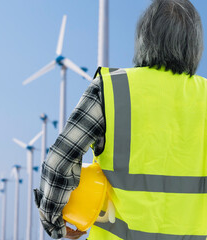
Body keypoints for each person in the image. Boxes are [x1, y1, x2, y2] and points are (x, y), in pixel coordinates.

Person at [34, 0, 206, 239]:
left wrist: (55, 223)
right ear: (196, 45)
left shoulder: (112, 89)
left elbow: (59, 161)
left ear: (143, 38)